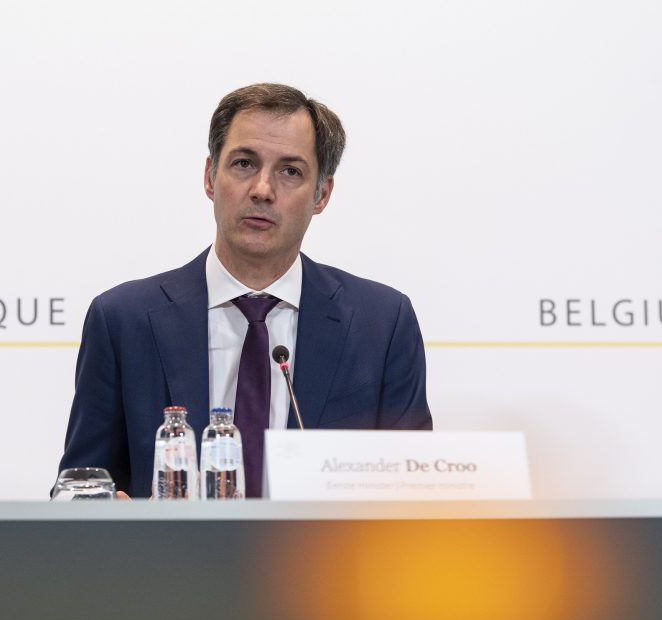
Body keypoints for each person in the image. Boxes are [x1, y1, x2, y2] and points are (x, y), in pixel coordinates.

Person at [58, 83, 432, 497]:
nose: (262, 190)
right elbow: (78, 489)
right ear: (209, 177)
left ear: (322, 194)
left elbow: (415, 499)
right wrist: (105, 511)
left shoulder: (380, 324)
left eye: (290, 171)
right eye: (243, 164)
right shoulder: (123, 321)